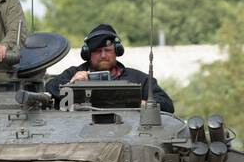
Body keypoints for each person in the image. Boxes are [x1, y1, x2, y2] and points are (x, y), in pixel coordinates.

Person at [45, 23, 175, 112]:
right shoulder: (74, 73)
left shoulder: (139, 79)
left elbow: (167, 105)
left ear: (117, 51)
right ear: (88, 54)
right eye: (97, 51)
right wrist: (71, 84)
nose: (103, 55)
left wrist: (141, 103)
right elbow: (48, 90)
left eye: (107, 50)